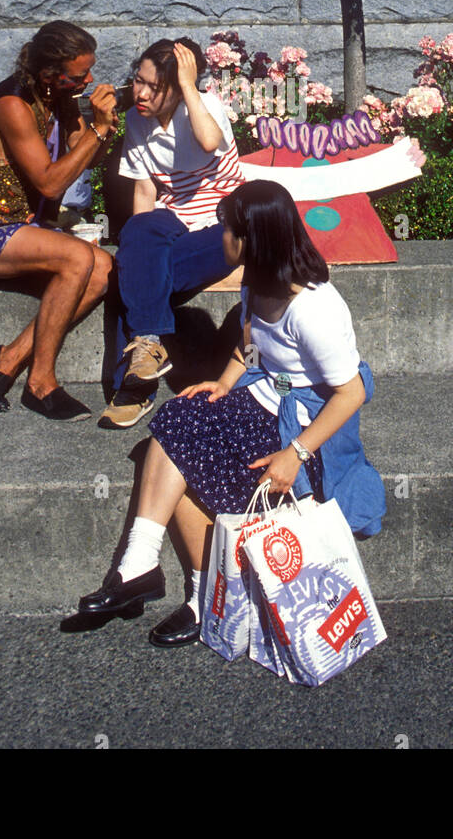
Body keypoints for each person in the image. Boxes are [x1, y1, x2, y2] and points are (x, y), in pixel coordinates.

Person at [65, 179, 385, 647]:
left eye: (227, 230)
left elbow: (351, 393)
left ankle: (199, 597)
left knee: (190, 462)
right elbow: (247, 342)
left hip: (304, 428)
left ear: (252, 239)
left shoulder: (313, 309)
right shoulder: (259, 281)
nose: (222, 239)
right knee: (178, 418)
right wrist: (225, 381)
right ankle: (141, 566)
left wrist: (293, 454)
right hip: (265, 398)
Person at [0, 21, 117, 421]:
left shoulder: (60, 96)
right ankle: (40, 384)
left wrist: (101, 128)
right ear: (48, 73)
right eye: (79, 75)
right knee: (78, 259)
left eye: (89, 71)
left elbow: (85, 158)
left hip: (18, 221)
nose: (87, 80)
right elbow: (52, 184)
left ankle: (7, 359)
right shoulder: (13, 107)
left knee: (103, 268)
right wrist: (100, 128)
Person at [98, 37, 245, 430]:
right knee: (137, 242)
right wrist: (135, 246)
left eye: (153, 86)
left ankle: (131, 390)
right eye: (137, 80)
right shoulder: (136, 120)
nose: (139, 92)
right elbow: (145, 190)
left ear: (179, 87)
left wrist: (189, 89)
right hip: (175, 215)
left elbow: (209, 141)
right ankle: (148, 349)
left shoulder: (204, 107)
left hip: (224, 223)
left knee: (136, 280)